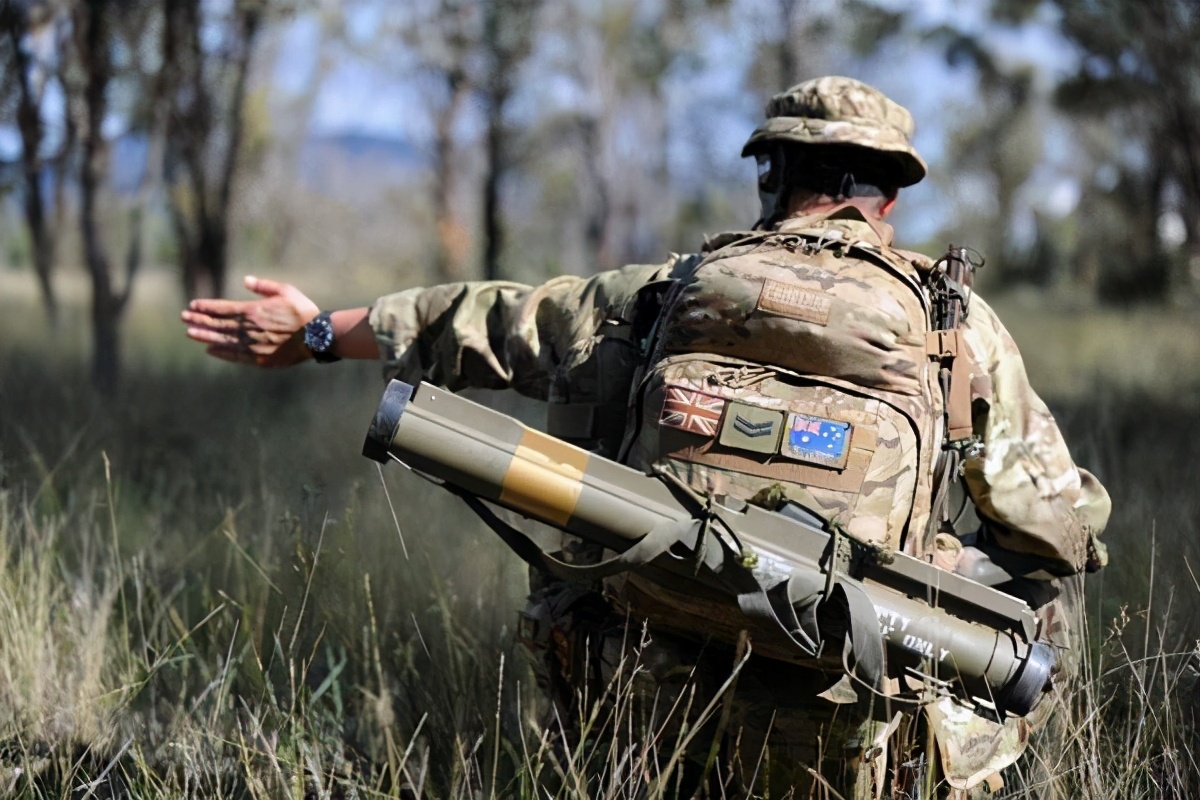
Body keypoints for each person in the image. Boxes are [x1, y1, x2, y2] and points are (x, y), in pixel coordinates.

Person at [182, 76, 1110, 798]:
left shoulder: (660, 295)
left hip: (639, 711)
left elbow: (489, 323)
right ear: (886, 200)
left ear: (772, 180)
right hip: (853, 731)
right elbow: (1053, 528)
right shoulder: (955, 328)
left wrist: (314, 334)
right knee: (1039, 604)